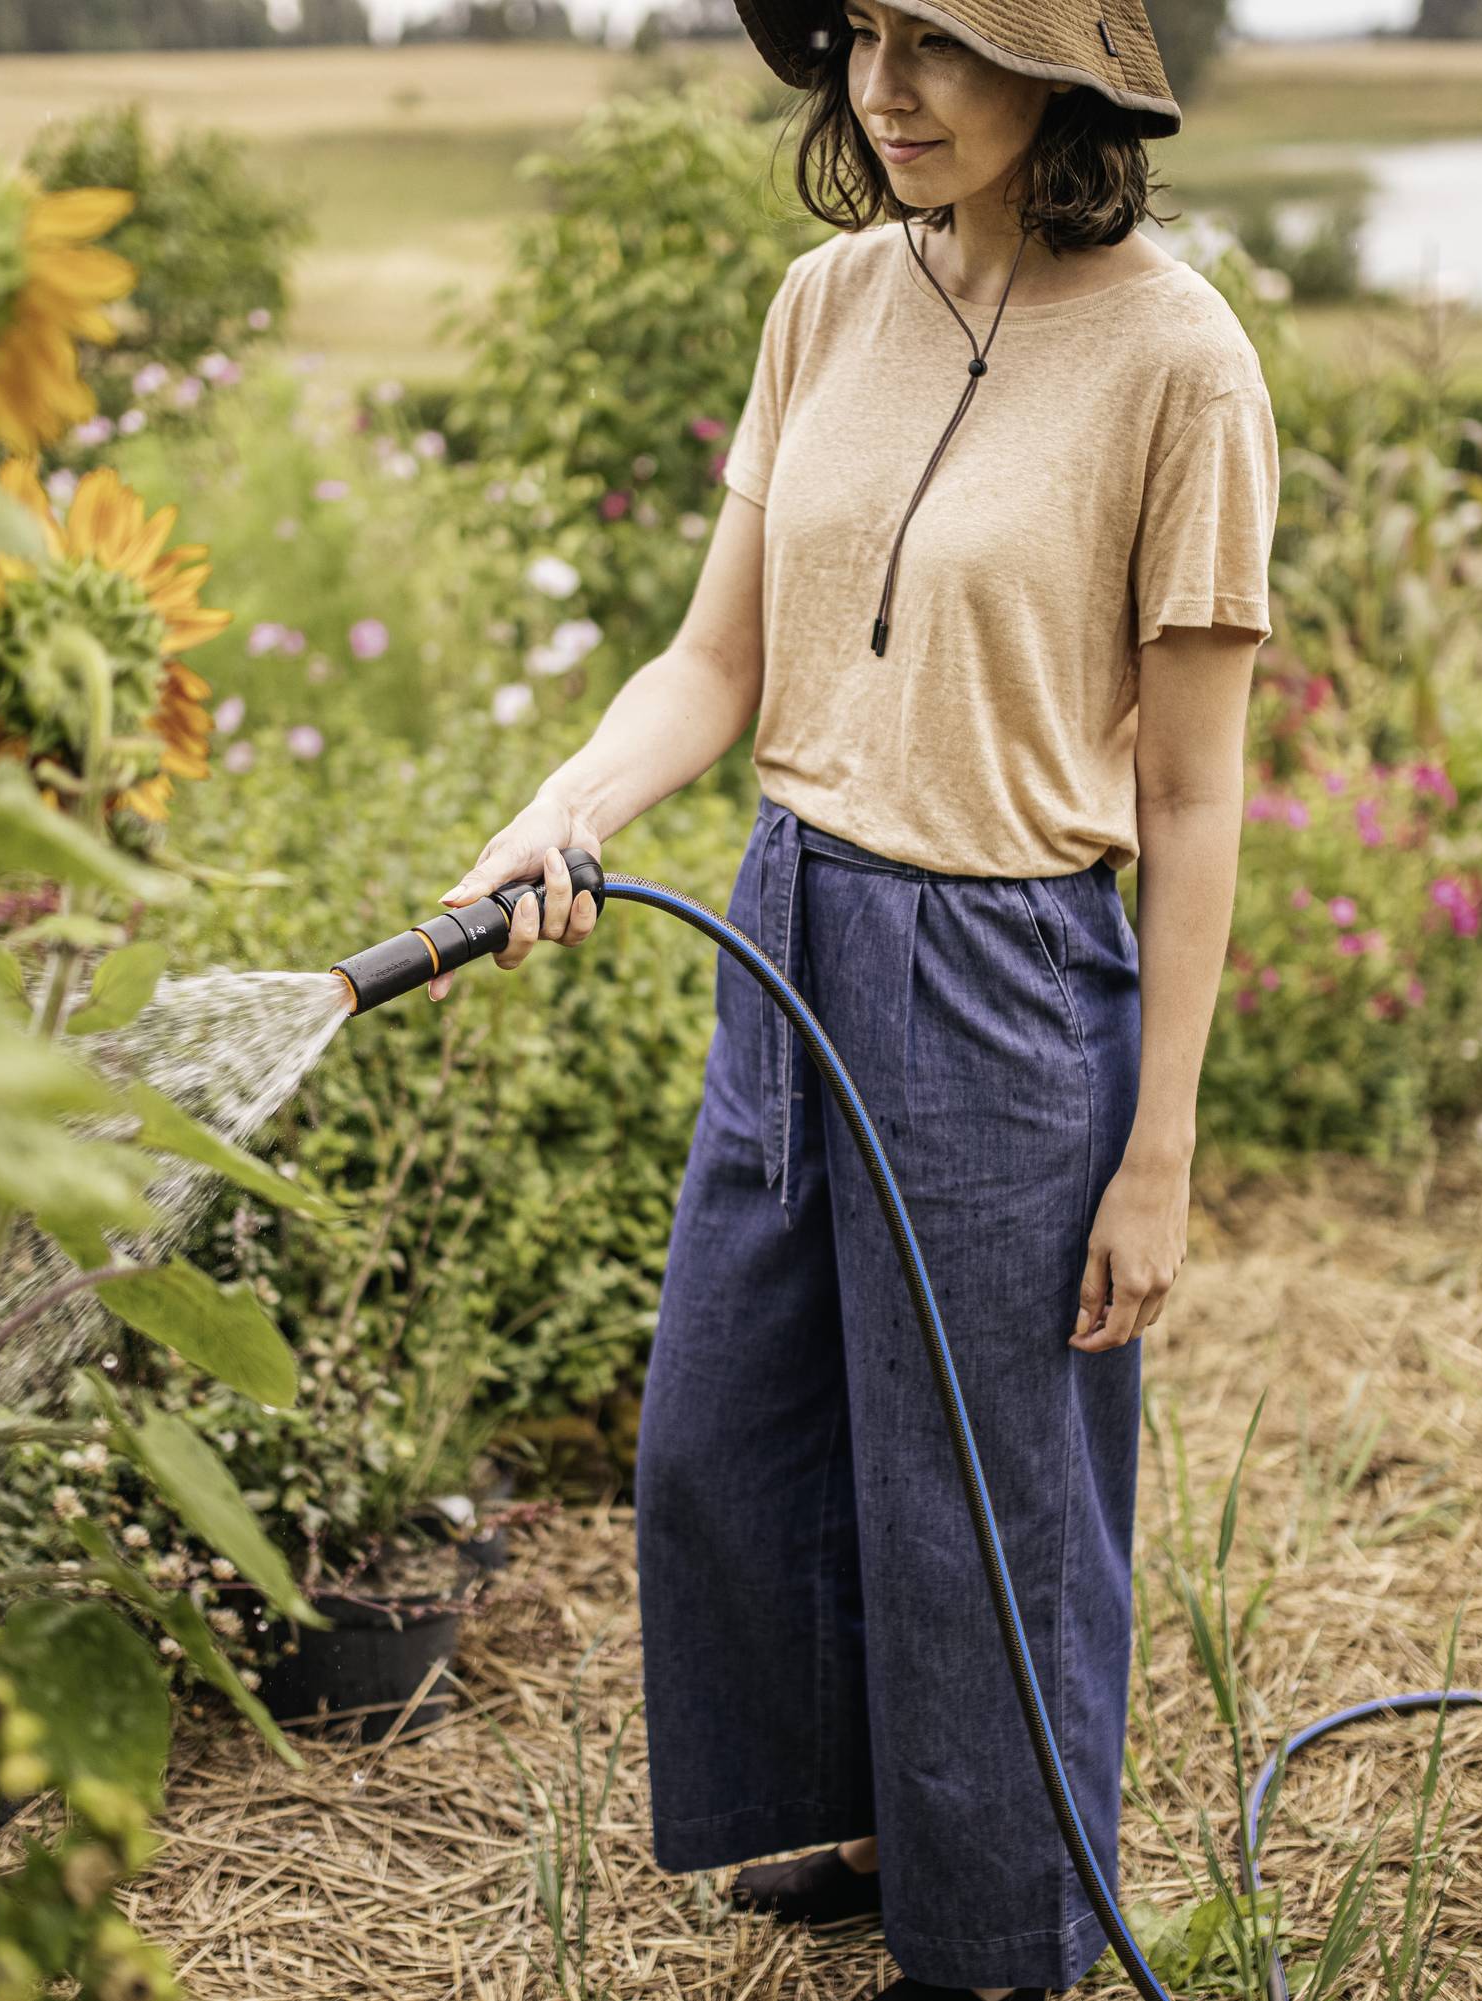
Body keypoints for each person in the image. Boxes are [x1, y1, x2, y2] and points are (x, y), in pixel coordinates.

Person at [429, 0, 1275, 1991]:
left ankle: (997, 1931)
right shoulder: (821, 305)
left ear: (1068, 73)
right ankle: (886, 1810)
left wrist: (1160, 1148)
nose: (882, 89)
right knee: (752, 1414)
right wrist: (560, 810)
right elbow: (715, 661)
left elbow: (1192, 788)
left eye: (942, 42)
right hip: (792, 908)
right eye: (863, 34)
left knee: (986, 1484)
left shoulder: (1182, 361)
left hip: (1006, 961)